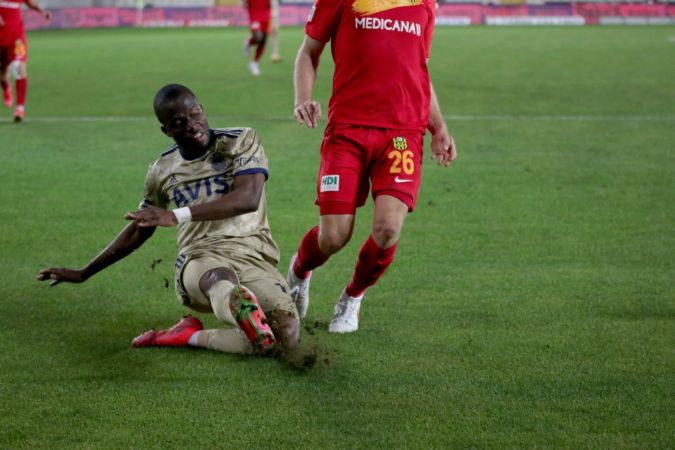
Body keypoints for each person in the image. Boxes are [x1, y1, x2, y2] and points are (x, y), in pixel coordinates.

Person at [37, 84, 299, 357]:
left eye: (195, 113)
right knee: (221, 281)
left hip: (253, 254)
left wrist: (176, 215)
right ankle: (235, 301)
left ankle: (190, 336)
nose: (191, 124)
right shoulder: (161, 170)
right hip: (201, 259)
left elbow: (248, 198)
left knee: (286, 339)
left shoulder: (240, 141)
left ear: (202, 109)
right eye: (178, 122)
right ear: (167, 130)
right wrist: (84, 272)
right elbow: (142, 227)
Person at [287, 0, 457, 333]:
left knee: (388, 229)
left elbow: (419, 68)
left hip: (402, 134)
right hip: (348, 131)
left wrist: (438, 127)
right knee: (334, 236)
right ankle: (298, 271)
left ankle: (352, 298)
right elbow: (308, 52)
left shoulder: (425, 5)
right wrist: (302, 99)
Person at [0, 0, 50, 123]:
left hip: (16, 36)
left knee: (18, 68)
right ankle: (6, 87)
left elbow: (30, 3)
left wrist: (42, 11)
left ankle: (20, 109)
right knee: (3, 74)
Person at [242, 0, 271, 75]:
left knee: (263, 40)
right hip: (254, 14)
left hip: (266, 14)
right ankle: (248, 42)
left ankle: (254, 63)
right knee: (258, 37)